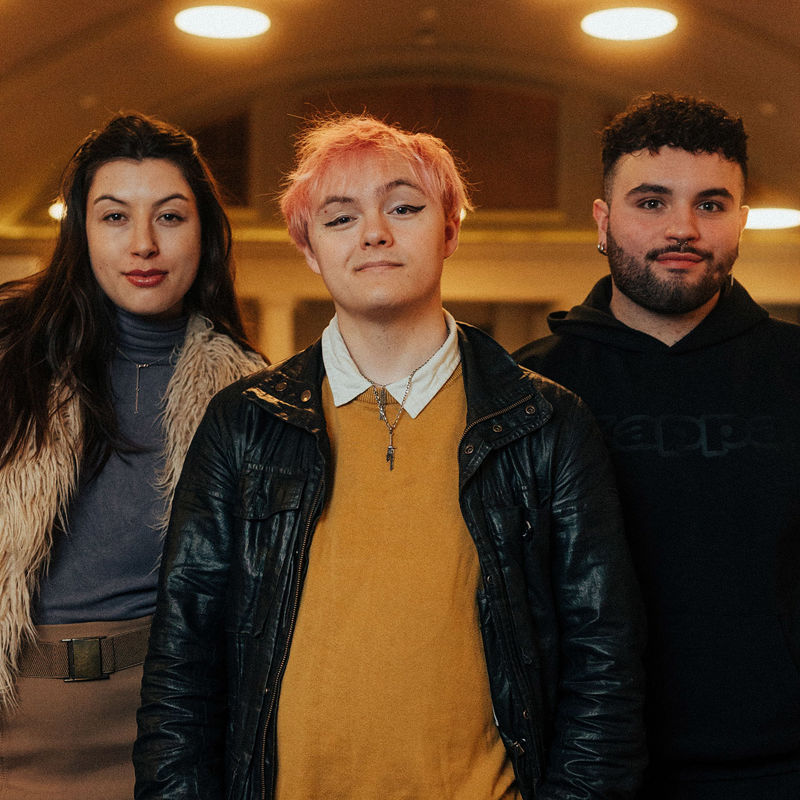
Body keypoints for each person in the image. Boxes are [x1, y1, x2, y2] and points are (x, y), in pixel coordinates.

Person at [134, 113, 646, 800]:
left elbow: (605, 668)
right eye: (340, 219)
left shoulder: (547, 423)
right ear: (308, 248)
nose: (375, 232)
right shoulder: (244, 424)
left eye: (403, 208)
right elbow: (181, 668)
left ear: (450, 230)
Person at [515, 92, 800, 799]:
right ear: (603, 221)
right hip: (591, 772)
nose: (683, 228)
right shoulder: (529, 387)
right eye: (651, 202)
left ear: (739, 219)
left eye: (711, 204)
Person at [0, 112, 265, 799]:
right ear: (80, 231)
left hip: (166, 741)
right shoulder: (10, 358)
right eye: (115, 217)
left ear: (203, 231)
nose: (143, 244)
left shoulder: (249, 395)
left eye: (169, 217)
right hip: (13, 729)